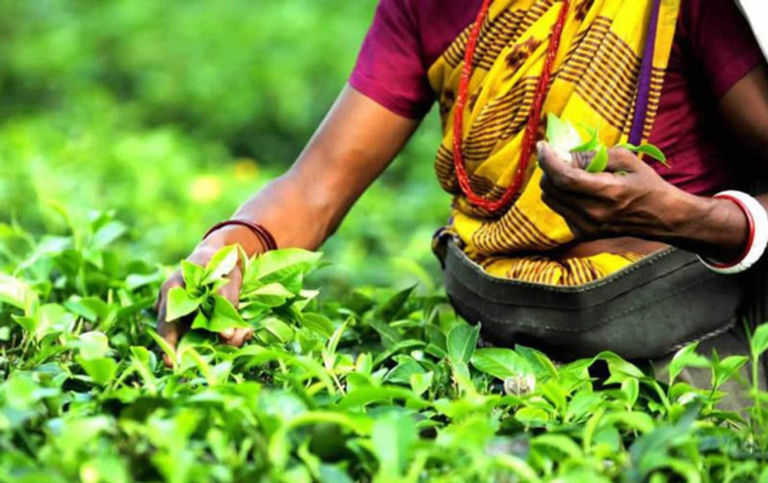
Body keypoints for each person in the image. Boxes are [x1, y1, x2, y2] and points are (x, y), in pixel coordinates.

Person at [156, 0, 768, 405]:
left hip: (687, 360)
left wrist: (690, 219)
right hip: (504, 355)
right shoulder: (428, 6)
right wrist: (223, 252)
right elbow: (314, 188)